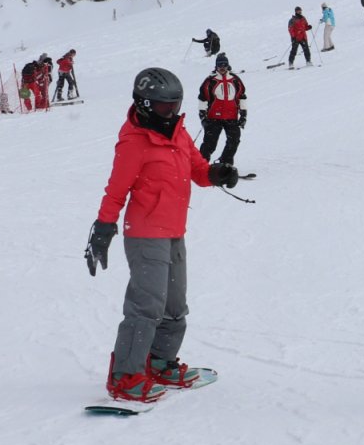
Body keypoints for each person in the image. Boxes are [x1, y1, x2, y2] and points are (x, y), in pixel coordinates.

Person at [85, 68, 237, 404]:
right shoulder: (134, 142)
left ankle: (160, 363)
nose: (171, 113)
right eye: (164, 107)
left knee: (174, 305)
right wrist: (103, 228)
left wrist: (217, 173)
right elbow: (116, 190)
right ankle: (125, 375)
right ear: (144, 105)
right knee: (146, 306)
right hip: (144, 234)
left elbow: (198, 169)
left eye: (175, 106)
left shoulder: (178, 133)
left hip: (173, 231)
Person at [196, 54, 247, 167]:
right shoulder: (210, 80)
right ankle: (200, 166)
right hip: (214, 117)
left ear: (228, 65)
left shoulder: (235, 80)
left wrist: (243, 115)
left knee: (234, 141)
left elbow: (242, 97)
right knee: (210, 143)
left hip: (231, 117)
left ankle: (226, 164)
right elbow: (203, 98)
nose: (222, 67)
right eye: (219, 65)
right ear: (216, 66)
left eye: (224, 65)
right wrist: (203, 117)